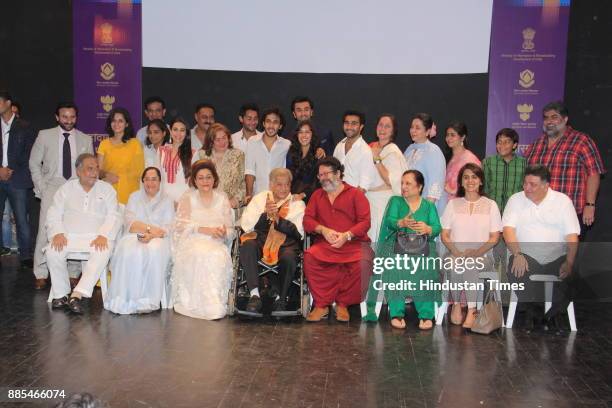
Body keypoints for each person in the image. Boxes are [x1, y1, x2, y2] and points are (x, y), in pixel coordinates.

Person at [503, 165, 580, 329]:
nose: (527, 188)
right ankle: (533, 311)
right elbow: (508, 230)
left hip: (556, 256)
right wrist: (517, 254)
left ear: (546, 186)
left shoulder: (562, 201)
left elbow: (572, 236)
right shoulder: (516, 200)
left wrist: (569, 262)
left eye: (533, 185)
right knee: (516, 269)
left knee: (574, 273)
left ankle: (554, 314)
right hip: (526, 256)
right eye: (525, 183)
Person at [29, 102, 94, 290]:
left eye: (72, 117)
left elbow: (89, 167)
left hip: (76, 186)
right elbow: (34, 163)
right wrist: (41, 186)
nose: (68, 120)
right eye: (64, 117)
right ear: (57, 117)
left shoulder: (85, 139)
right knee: (45, 229)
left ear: (76, 117)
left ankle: (73, 272)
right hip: (52, 185)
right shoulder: (44, 135)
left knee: (74, 228)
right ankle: (41, 272)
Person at [366, 170, 441, 330]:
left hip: (422, 249)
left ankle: (426, 314)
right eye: (402, 183)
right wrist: (402, 222)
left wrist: (427, 228)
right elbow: (390, 221)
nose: (403, 187)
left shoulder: (428, 206)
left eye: (408, 183)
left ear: (419, 187)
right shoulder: (396, 201)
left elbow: (437, 227)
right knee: (394, 266)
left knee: (427, 267)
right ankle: (397, 313)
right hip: (398, 248)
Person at [46, 153, 120, 314]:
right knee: (52, 251)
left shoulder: (106, 189)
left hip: (96, 237)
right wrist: (57, 232)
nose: (94, 172)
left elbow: (113, 215)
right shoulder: (66, 189)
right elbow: (53, 213)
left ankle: (77, 294)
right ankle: (61, 294)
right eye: (89, 168)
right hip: (68, 236)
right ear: (78, 171)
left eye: (96, 168)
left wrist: (104, 235)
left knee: (102, 251)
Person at [303, 157, 373, 322]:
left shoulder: (356, 194)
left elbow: (365, 222)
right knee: (310, 256)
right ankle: (321, 305)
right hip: (326, 244)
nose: (323, 178)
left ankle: (343, 304)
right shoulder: (317, 195)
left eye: (326, 173)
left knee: (363, 262)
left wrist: (347, 235)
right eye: (320, 175)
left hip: (353, 243)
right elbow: (307, 221)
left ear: (339, 173)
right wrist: (323, 229)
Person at [525, 101, 605, 236]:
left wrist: (590, 205)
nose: (549, 121)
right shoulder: (535, 145)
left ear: (565, 119)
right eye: (546, 118)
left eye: (554, 117)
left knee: (568, 255)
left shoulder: (582, 141)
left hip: (569, 213)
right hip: (538, 213)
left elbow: (594, 173)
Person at [105, 167, 174, 314]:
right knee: (130, 249)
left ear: (160, 181)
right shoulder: (134, 197)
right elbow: (130, 223)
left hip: (159, 239)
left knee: (154, 249)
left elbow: (168, 227)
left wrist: (152, 235)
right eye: (147, 179)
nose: (150, 183)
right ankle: (126, 298)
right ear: (142, 181)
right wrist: (150, 230)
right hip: (135, 235)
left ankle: (146, 299)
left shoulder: (167, 200)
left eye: (154, 179)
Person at [440, 163, 502, 328]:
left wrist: (477, 252)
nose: (470, 181)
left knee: (470, 264)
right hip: (455, 253)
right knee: (454, 263)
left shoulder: (491, 205)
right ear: (460, 182)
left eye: (474, 177)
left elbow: (495, 237)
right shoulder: (452, 205)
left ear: (481, 181)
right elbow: (444, 235)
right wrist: (456, 252)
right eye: (466, 177)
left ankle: (472, 310)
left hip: (483, 256)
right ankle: (457, 305)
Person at [172, 160, 234, 319]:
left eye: (208, 177)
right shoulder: (188, 198)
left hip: (215, 242)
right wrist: (204, 229)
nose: (205, 181)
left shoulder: (222, 198)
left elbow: (230, 229)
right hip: (193, 240)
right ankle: (194, 304)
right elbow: (180, 225)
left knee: (215, 255)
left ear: (214, 179)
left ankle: (213, 303)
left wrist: (223, 231)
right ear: (194, 180)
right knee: (198, 253)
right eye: (200, 178)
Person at [240, 168, 305, 313]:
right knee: (247, 246)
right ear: (271, 185)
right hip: (261, 239)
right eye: (279, 185)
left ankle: (281, 299)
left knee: (289, 256)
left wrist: (278, 219)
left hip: (286, 242)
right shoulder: (260, 198)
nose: (283, 189)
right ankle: (255, 295)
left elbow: (297, 232)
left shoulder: (296, 203)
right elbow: (246, 225)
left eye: (287, 185)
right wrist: (265, 215)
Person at [0, 91, 35, 268]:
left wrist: (10, 170)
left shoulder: (24, 126)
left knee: (21, 218)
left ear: (8, 103)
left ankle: (26, 255)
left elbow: (29, 153)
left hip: (17, 178)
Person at [483, 128, 526, 272]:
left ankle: (508, 291)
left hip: (514, 220)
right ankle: (490, 292)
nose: (502, 145)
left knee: (511, 260)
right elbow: (484, 190)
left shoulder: (523, 164)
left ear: (515, 145)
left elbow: (525, 191)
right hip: (493, 219)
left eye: (506, 142)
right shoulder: (488, 162)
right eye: (499, 142)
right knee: (491, 260)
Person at [367, 114, 408, 242]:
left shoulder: (393, 151)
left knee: (379, 239)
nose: (383, 129)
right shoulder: (370, 147)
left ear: (393, 131)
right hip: (368, 201)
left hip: (382, 203)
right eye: (380, 125)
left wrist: (377, 159)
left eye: (387, 126)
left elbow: (392, 181)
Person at [97, 107, 145, 205]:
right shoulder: (104, 144)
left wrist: (121, 178)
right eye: (113, 121)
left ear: (126, 124)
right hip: (109, 191)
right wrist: (107, 175)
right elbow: (98, 170)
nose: (116, 124)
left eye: (120, 121)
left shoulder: (135, 144)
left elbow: (140, 171)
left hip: (131, 192)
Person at [244, 107, 291, 200]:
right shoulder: (252, 141)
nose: (271, 125)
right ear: (263, 124)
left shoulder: (286, 144)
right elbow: (250, 170)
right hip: (257, 196)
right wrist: (249, 195)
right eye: (268, 121)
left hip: (279, 197)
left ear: (280, 126)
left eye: (275, 122)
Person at [403, 113, 446, 213]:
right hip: (409, 205)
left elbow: (436, 184)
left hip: (425, 208)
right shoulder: (409, 149)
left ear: (427, 131)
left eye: (417, 128)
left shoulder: (434, 151)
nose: (413, 130)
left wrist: (423, 212)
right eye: (412, 127)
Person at [198, 123, 246, 210]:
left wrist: (235, 200)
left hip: (230, 207)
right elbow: (197, 181)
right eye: (218, 139)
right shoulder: (202, 155)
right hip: (207, 206)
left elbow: (243, 184)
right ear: (211, 142)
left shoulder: (238, 155)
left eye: (224, 138)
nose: (222, 142)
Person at [440, 121, 481, 210]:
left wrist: (453, 191)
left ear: (462, 137)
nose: (449, 138)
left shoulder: (470, 159)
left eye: (453, 135)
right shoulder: (448, 157)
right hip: (447, 207)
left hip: (463, 207)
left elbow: (476, 186)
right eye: (447, 135)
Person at [333, 110, 376, 192]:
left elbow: (364, 186)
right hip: (335, 195)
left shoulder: (365, 151)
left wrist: (350, 202)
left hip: (352, 200)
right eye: (347, 123)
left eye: (354, 123)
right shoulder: (339, 146)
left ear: (361, 127)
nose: (349, 127)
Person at [159, 118, 194, 203]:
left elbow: (193, 183)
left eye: (182, 130)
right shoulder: (161, 150)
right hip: (163, 200)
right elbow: (158, 177)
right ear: (170, 131)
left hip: (184, 201)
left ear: (186, 133)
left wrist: (182, 203)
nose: (178, 133)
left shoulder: (193, 153)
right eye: (175, 130)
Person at [286, 120, 320, 202]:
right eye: (300, 132)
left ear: (312, 134)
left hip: (310, 198)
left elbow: (319, 182)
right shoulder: (291, 153)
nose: (304, 135)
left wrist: (303, 195)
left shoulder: (318, 154)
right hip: (291, 197)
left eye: (307, 132)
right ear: (297, 135)